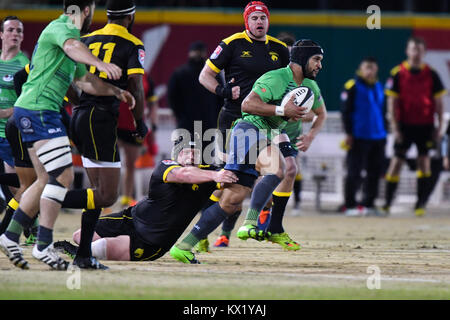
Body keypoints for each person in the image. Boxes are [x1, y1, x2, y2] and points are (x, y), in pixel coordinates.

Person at [0, 0, 134, 271]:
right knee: (63, 175)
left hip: (31, 110)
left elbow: (86, 82)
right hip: (40, 111)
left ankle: (11, 236)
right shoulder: (62, 29)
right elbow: (73, 48)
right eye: (92, 10)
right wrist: (100, 62)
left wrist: (117, 92)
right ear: (86, 11)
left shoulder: (70, 40)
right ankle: (43, 245)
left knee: (43, 180)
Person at [170, 39, 326, 264]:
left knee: (231, 201)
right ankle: (250, 223)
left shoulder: (309, 86)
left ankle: (183, 247)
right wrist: (283, 109)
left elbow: (308, 115)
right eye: (317, 60)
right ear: (302, 59)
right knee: (277, 168)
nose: (320, 65)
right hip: (248, 130)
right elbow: (246, 105)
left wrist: (294, 121)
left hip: (264, 133)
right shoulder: (276, 77)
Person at [197, 1, 291, 250]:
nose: (259, 22)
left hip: (265, 122)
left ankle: (236, 230)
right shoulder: (231, 44)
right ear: (246, 22)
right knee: (229, 181)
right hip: (234, 123)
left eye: (263, 18)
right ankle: (203, 231)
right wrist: (222, 90)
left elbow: (290, 82)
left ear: (268, 21)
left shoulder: (279, 49)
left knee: (267, 173)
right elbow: (204, 75)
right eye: (254, 18)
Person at [55, 138, 238, 262]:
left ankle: (79, 254)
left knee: (100, 247)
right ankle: (79, 250)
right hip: (130, 219)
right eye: (186, 152)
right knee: (78, 236)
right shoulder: (166, 166)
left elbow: (234, 180)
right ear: (176, 155)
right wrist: (216, 175)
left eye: (195, 153)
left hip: (151, 242)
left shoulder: (208, 174)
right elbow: (184, 175)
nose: (191, 156)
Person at [64, 0, 147, 269]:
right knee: (107, 195)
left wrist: (78, 104)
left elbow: (65, 77)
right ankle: (44, 198)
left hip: (80, 117)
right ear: (130, 16)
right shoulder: (132, 43)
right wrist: (139, 122)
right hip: (100, 119)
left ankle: (83, 254)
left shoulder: (85, 39)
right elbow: (135, 86)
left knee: (95, 193)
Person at [383, 36, 447, 216]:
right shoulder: (398, 73)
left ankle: (420, 204)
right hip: (404, 125)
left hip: (426, 125)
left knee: (424, 163)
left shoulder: (432, 74)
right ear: (407, 51)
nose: (416, 53)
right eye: (413, 49)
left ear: (424, 52)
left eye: (419, 50)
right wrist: (395, 128)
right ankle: (387, 203)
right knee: (396, 162)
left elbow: (440, 104)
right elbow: (391, 103)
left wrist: (439, 127)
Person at [340, 57, 387, 217]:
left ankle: (368, 204)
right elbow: (345, 112)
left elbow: (381, 111)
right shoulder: (352, 86)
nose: (370, 71)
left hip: (378, 137)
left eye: (372, 68)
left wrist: (385, 132)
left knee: (375, 172)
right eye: (367, 67)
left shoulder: (380, 87)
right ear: (361, 68)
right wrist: (348, 133)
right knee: (355, 171)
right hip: (358, 136)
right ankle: (350, 205)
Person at [0, 16, 29, 216]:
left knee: (17, 185)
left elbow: (27, 103)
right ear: (1, 34)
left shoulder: (24, 65)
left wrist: (4, 113)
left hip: (10, 132)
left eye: (19, 31)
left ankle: (31, 224)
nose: (15, 34)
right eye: (10, 30)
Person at [117, 73, 157, 208]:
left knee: (130, 165)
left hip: (134, 126)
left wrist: (153, 123)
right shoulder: (117, 72)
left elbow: (152, 103)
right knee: (109, 163)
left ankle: (126, 198)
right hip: (114, 124)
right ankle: (105, 198)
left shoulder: (146, 78)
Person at [168, 41, 222, 138]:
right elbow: (172, 98)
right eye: (196, 52)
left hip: (205, 123)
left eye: (199, 52)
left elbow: (220, 97)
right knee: (192, 152)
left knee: (200, 152)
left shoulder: (180, 73)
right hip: (189, 123)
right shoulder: (180, 73)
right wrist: (180, 116)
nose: (198, 54)